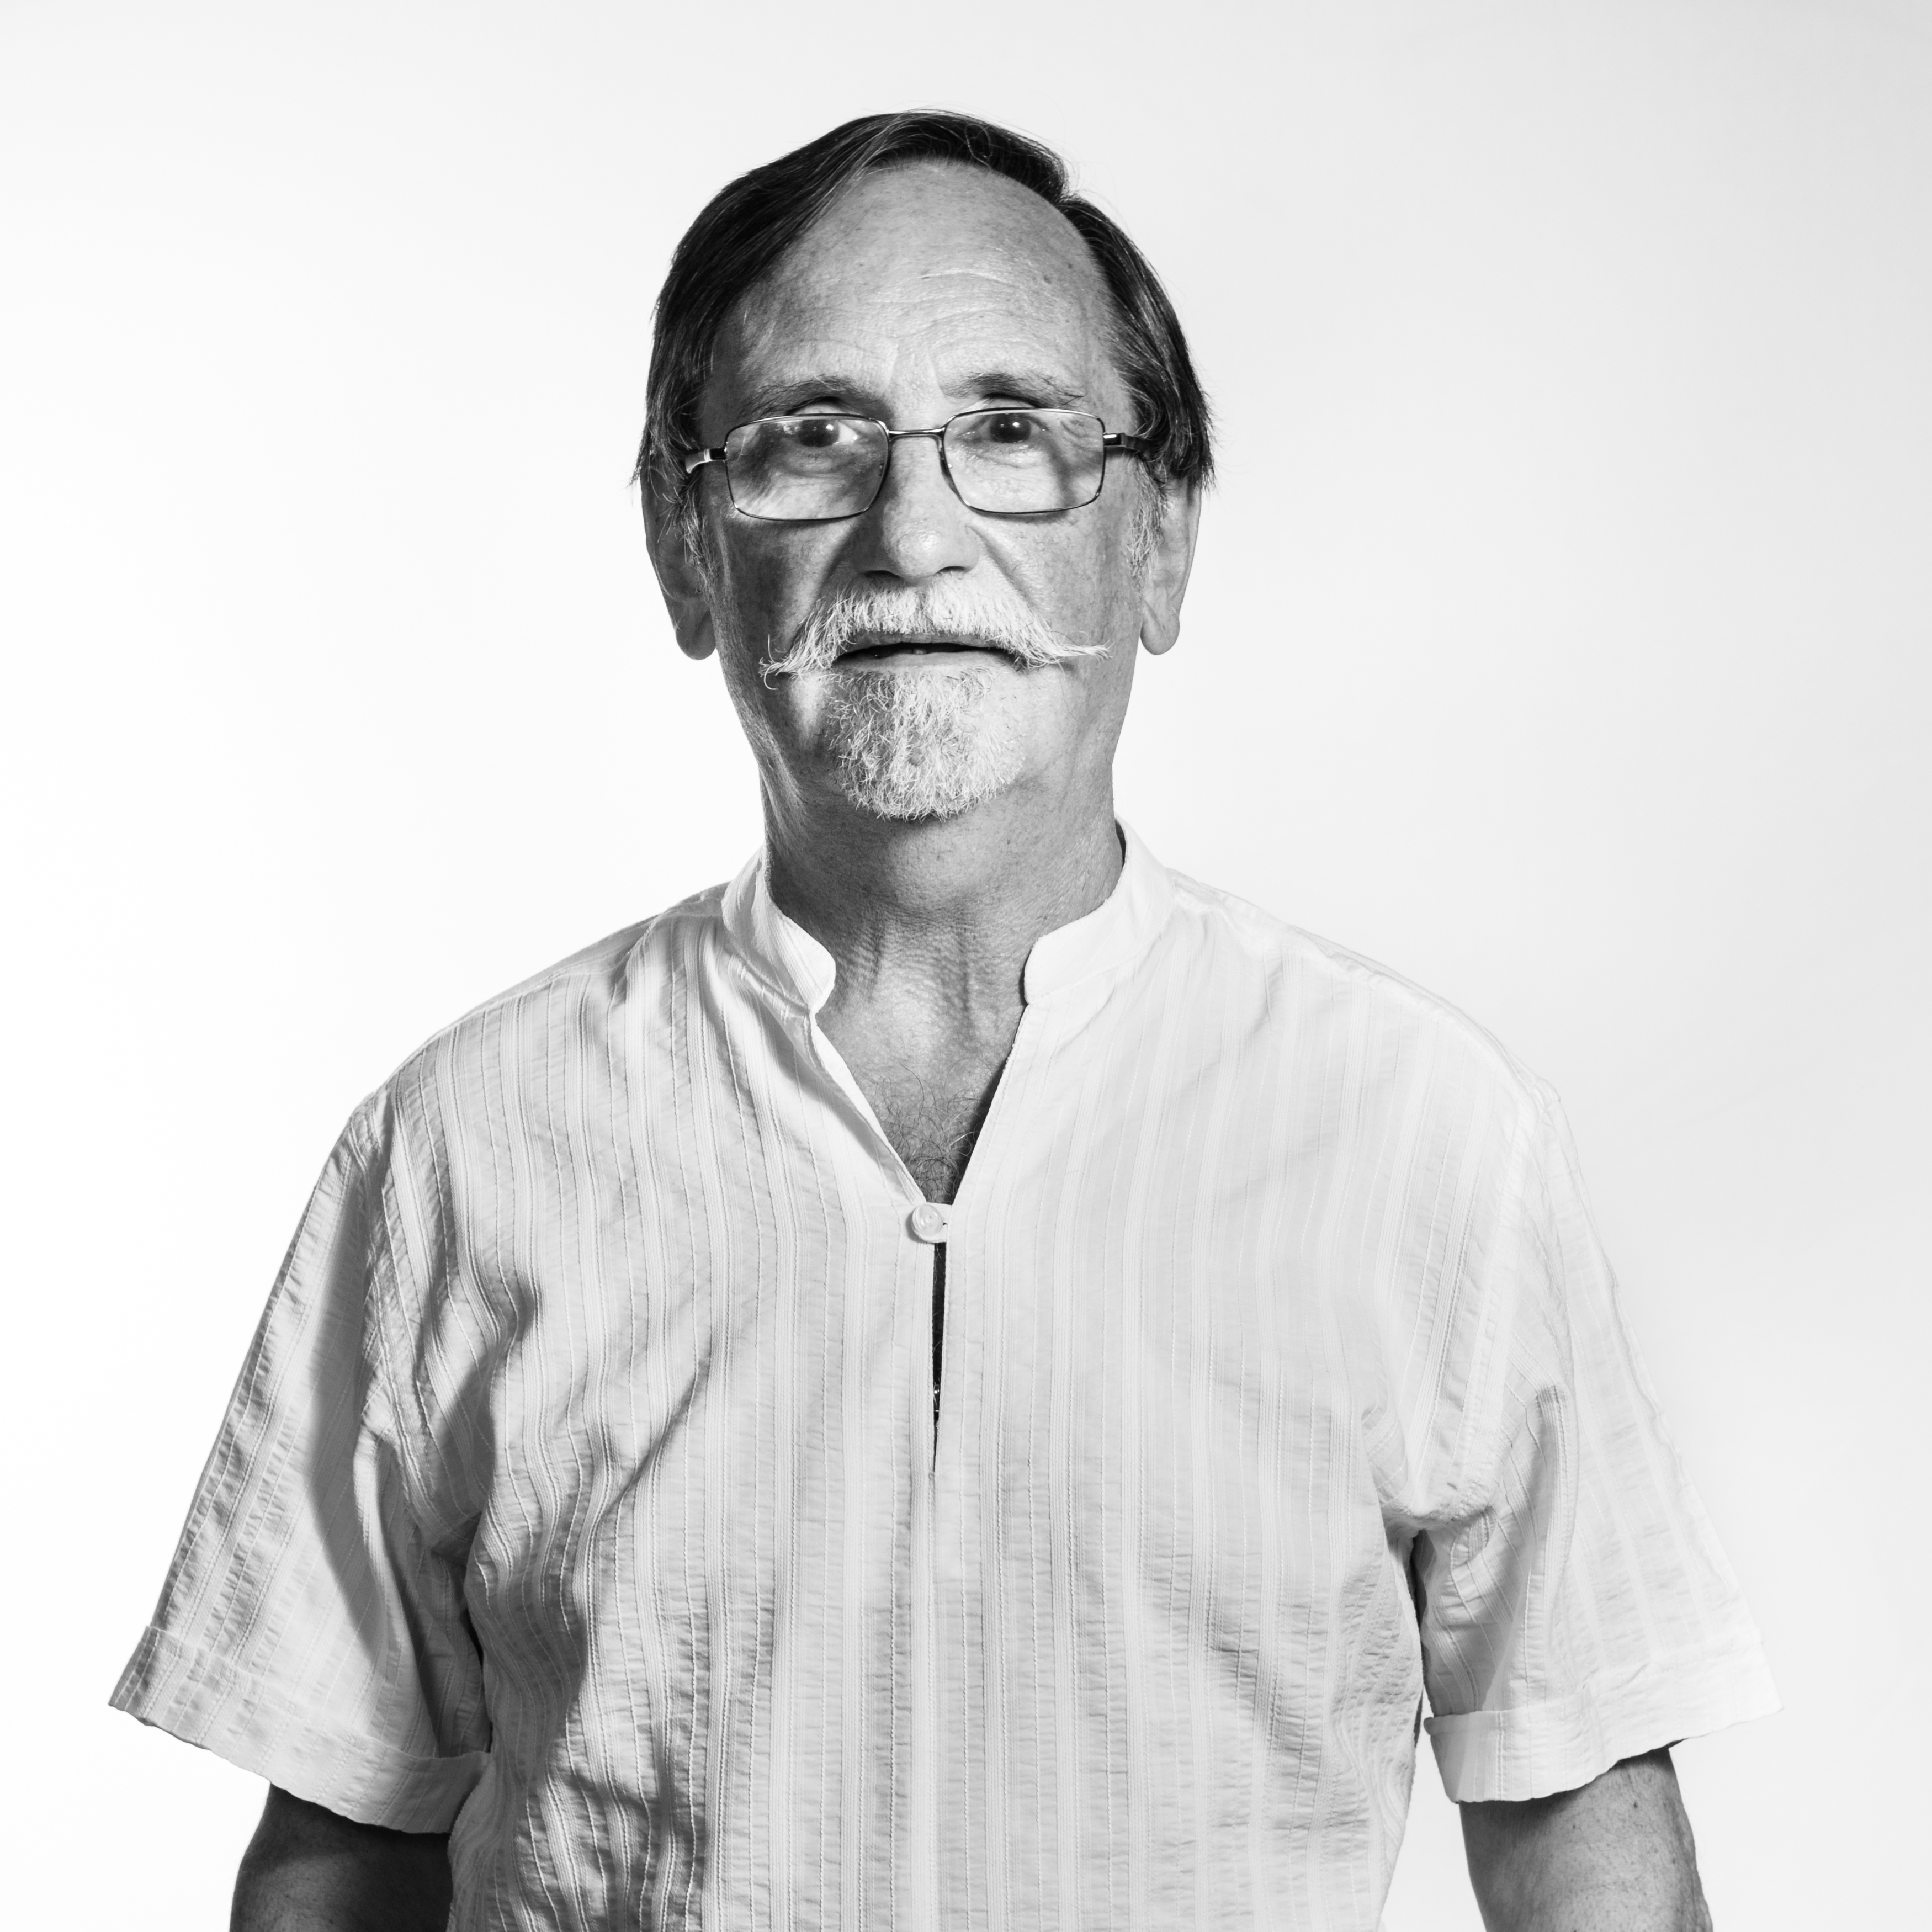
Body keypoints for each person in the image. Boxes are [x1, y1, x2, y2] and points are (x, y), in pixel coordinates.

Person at [113, 110, 1777, 1931]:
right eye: (809, 438)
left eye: (1011, 431)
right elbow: (346, 1843)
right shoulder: (458, 1146)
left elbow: (1576, 1817)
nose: (912, 533)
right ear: (686, 550)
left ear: (1158, 541)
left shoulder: (1419, 1132)